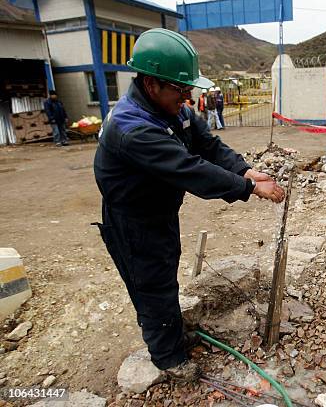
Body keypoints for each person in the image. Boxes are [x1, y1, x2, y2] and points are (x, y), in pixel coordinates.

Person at [93, 28, 285, 381]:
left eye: (188, 90)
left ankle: (172, 332)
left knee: (165, 272)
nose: (187, 98)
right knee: (152, 284)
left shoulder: (172, 108)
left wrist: (246, 169)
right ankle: (168, 358)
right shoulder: (133, 128)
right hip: (133, 221)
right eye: (181, 90)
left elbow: (207, 146)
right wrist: (249, 188)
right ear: (152, 84)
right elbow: (191, 170)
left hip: (159, 211)